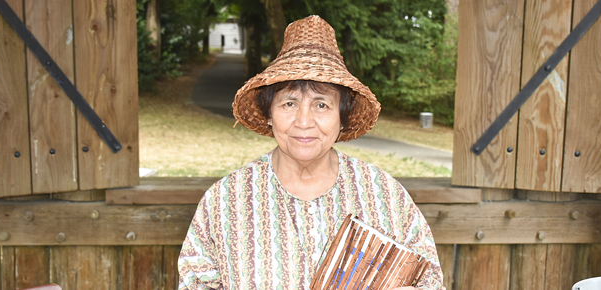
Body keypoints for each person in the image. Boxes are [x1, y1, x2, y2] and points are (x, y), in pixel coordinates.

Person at [177, 15, 444, 290]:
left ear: (343, 118)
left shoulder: (386, 197)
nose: (304, 122)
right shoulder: (225, 202)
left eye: (321, 105)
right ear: (269, 114)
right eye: (289, 103)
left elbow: (429, 281)